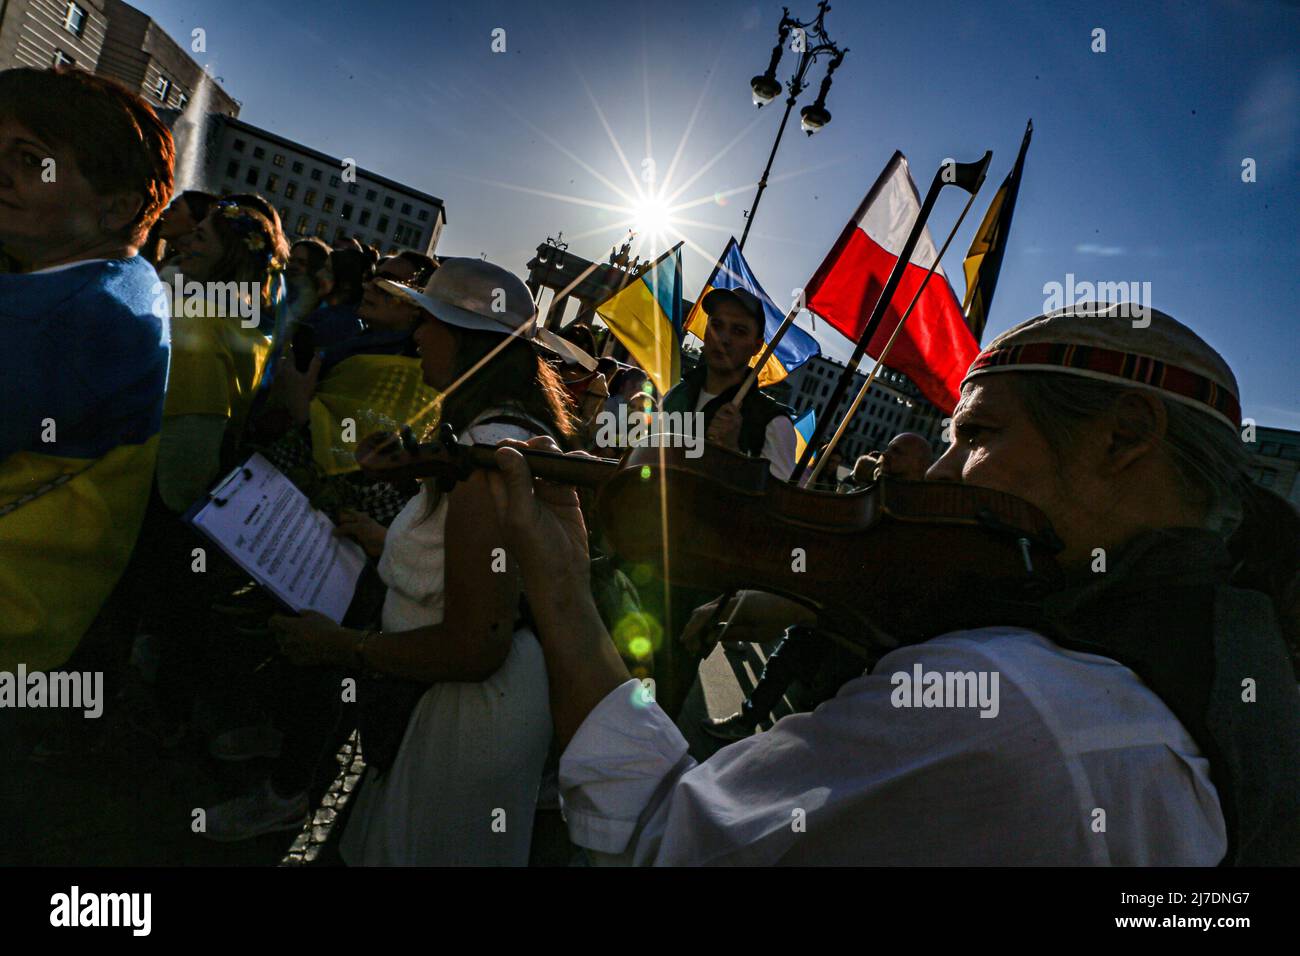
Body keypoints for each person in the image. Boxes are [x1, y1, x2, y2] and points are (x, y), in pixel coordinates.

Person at [486, 302, 1300, 865]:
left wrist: (560, 591)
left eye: (977, 434)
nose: (940, 475)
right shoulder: (1241, 652)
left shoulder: (1015, 703)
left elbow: (665, 839)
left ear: (1124, 438)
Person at [237, 259, 579, 863]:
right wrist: (411, 472)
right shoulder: (489, 439)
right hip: (456, 710)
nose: (416, 336)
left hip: (465, 719)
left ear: (469, 343)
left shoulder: (490, 461)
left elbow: (477, 646)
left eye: (429, 322)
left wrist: (342, 646)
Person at [0, 66, 173, 672]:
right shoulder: (129, 282)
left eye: (30, 159)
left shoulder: (48, 319)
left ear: (116, 206)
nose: (4, 173)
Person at [662, 287, 796, 480]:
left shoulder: (773, 423)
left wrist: (733, 452)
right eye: (716, 325)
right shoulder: (676, 395)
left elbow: (774, 505)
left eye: (739, 331)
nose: (723, 339)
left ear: (757, 346)